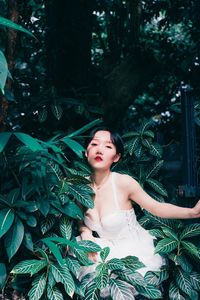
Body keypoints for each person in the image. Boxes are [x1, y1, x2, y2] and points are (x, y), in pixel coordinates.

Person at [78, 127, 200, 277]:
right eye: (95, 144)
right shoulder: (80, 187)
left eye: (108, 146)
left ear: (116, 157)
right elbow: (79, 219)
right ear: (86, 152)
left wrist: (192, 212)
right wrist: (86, 234)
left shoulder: (124, 183)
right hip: (103, 252)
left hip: (134, 252)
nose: (99, 150)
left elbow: (156, 207)